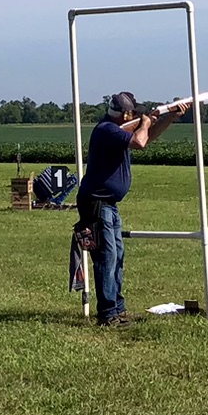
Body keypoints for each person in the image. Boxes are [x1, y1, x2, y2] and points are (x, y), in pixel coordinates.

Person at [76, 91, 190, 327]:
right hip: (97, 203)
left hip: (108, 204)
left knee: (116, 257)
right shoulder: (106, 130)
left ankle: (118, 309)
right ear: (125, 114)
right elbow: (139, 140)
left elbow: (146, 140)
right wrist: (147, 121)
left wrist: (170, 117)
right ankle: (107, 315)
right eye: (132, 112)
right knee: (107, 259)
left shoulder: (118, 130)